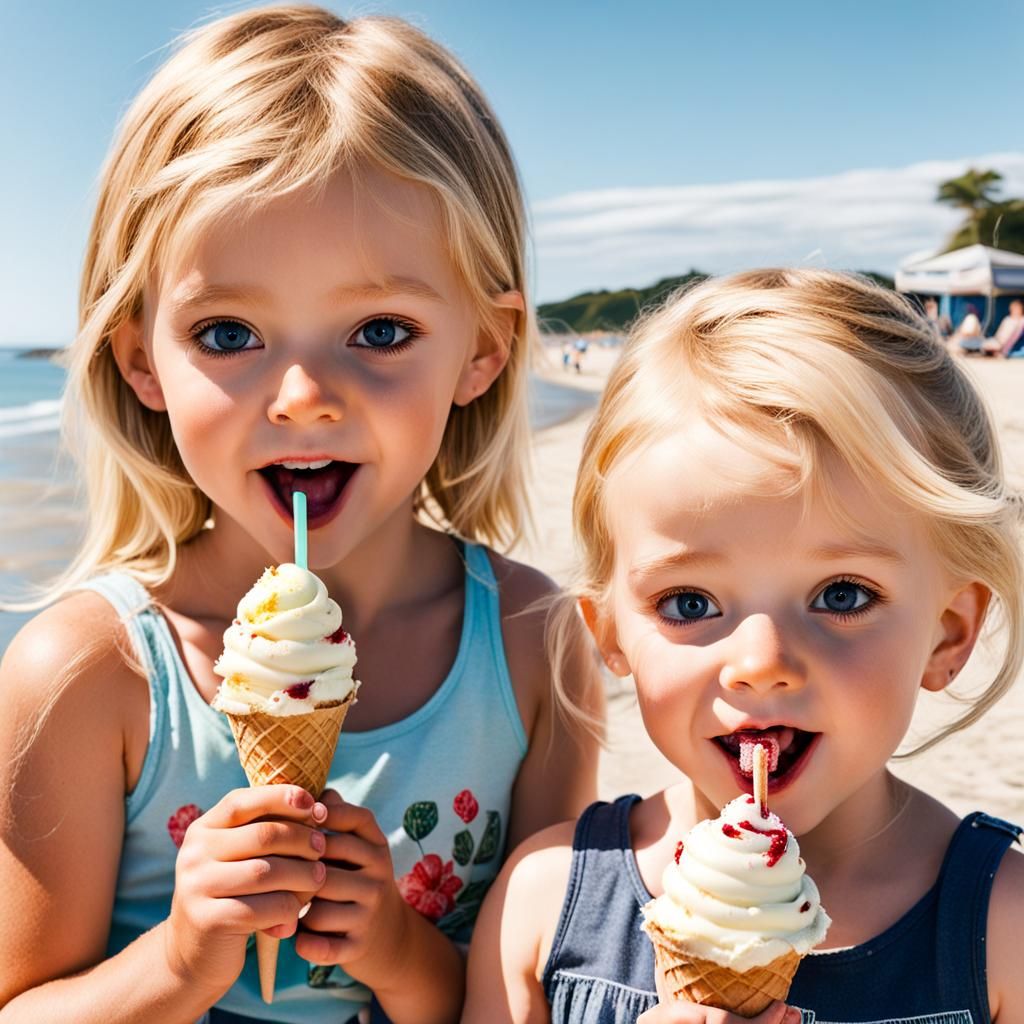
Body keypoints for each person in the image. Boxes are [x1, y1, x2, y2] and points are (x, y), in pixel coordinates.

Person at [0, 8, 602, 1024]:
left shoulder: (535, 646)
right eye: (228, 332)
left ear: (483, 351)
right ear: (142, 357)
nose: (301, 396)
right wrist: (185, 959)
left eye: (380, 329)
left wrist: (401, 954)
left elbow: (542, 995)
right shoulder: (87, 674)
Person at [462, 269, 1024, 1023]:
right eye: (689, 603)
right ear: (611, 636)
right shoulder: (541, 903)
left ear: (948, 634)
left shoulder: (1003, 930)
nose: (761, 661)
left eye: (843, 595)